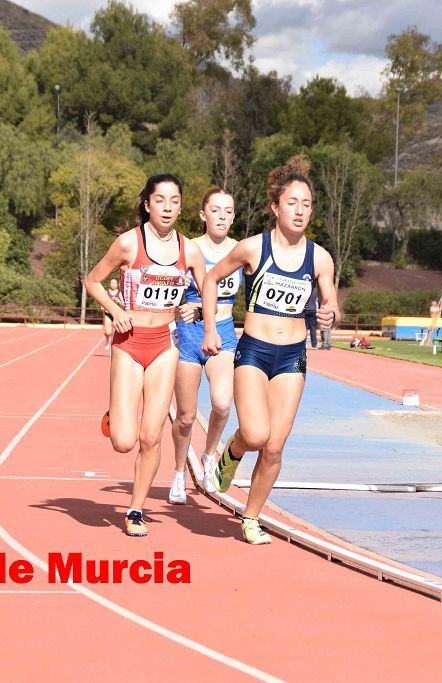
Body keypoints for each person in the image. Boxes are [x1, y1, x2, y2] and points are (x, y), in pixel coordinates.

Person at [201, 155, 340, 544]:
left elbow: (330, 301)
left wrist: (329, 314)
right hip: (255, 351)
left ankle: (251, 517)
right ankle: (231, 453)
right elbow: (211, 280)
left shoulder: (320, 258)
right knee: (257, 433)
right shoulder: (252, 249)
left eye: (307, 204)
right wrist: (211, 327)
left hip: (292, 357)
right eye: (292, 203)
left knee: (275, 446)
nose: (299, 210)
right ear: (275, 207)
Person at [84, 173, 207, 537]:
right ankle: (114, 414)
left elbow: (208, 291)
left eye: (174, 201)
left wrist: (196, 309)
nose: (167, 207)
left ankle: (135, 510)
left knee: (152, 435)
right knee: (124, 441)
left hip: (165, 345)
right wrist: (114, 310)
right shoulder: (128, 244)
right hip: (129, 341)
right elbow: (92, 280)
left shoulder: (191, 250)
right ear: (147, 204)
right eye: (160, 200)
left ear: (180, 206)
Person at [169, 188, 240, 505]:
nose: (222, 216)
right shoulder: (188, 248)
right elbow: (169, 294)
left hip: (222, 331)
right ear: (202, 214)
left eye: (228, 210)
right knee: (184, 418)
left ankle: (210, 456)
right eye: (216, 209)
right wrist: (179, 312)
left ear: (234, 216)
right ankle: (178, 473)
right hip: (188, 334)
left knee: (223, 404)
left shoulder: (240, 251)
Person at [101, 277, 122, 350]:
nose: (113, 284)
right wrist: (102, 306)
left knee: (116, 332)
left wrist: (118, 300)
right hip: (108, 313)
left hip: (116, 314)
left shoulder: (119, 293)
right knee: (108, 332)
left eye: (114, 283)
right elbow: (102, 301)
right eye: (112, 283)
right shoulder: (106, 292)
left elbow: (124, 304)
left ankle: (113, 346)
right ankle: (107, 339)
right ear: (109, 284)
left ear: (117, 284)